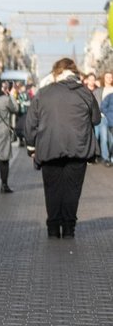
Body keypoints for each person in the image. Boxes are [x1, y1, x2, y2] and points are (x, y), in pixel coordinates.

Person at [26, 57, 100, 238]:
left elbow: (30, 123)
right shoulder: (84, 93)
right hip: (78, 149)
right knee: (72, 190)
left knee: (52, 189)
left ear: (55, 72)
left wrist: (31, 147)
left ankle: (53, 227)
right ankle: (68, 228)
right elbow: (96, 119)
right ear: (73, 72)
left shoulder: (43, 93)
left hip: (49, 148)